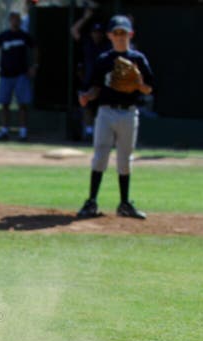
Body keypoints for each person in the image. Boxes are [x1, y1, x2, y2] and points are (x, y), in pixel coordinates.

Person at [76, 15, 154, 220]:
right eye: (116, 33)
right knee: (100, 155)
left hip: (128, 112)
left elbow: (148, 89)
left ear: (131, 34)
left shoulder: (138, 59)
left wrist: (138, 83)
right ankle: (91, 201)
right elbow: (95, 88)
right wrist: (87, 97)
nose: (120, 36)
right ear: (110, 35)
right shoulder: (103, 60)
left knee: (124, 159)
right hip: (106, 112)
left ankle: (125, 204)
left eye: (123, 33)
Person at [0, 11, 39, 142]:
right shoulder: (4, 36)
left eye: (17, 20)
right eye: (13, 19)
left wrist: (34, 66)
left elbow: (35, 48)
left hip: (21, 75)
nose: (15, 22)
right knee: (4, 104)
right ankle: (4, 130)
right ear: (10, 20)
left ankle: (23, 132)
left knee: (22, 104)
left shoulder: (24, 36)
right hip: (5, 75)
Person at [74, 22, 111, 141]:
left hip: (103, 82)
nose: (97, 35)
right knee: (87, 106)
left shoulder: (107, 47)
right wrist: (86, 18)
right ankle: (89, 132)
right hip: (88, 80)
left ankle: (102, 134)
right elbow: (74, 31)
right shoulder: (87, 44)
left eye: (99, 33)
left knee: (103, 108)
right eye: (95, 32)